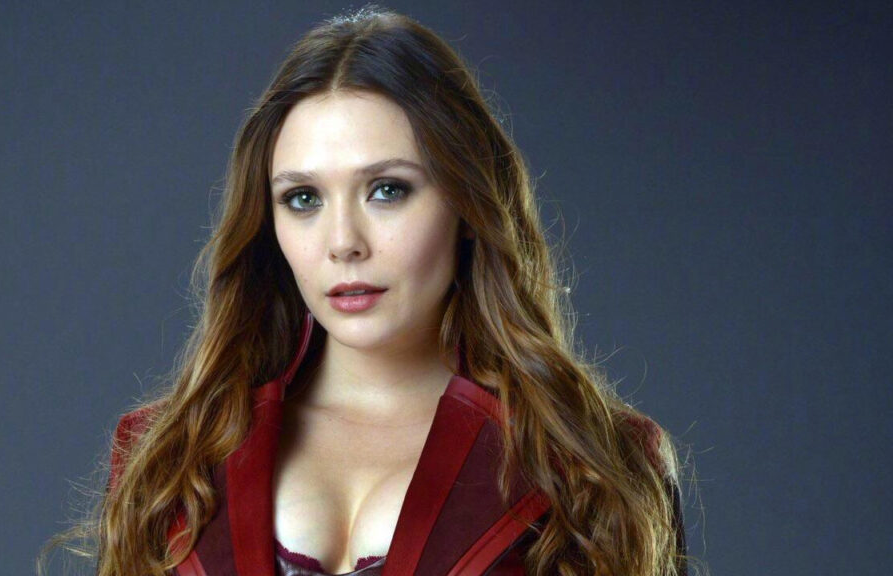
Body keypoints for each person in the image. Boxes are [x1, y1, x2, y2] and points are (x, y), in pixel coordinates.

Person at [41, 5, 692, 576]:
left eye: (387, 190)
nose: (343, 241)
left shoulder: (594, 466)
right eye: (303, 198)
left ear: (467, 204)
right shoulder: (168, 458)